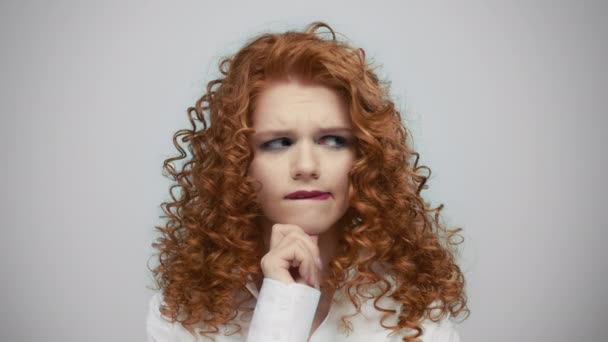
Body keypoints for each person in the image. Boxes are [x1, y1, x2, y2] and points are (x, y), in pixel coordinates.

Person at [146, 21, 469, 342]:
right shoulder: (184, 314)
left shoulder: (413, 306)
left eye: (332, 140)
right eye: (279, 143)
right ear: (237, 163)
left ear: (365, 158)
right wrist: (284, 306)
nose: (306, 166)